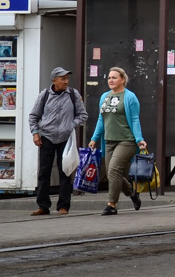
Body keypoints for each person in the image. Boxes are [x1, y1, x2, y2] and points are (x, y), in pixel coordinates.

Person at [27, 66, 88, 216]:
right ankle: (43, 206)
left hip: (65, 139)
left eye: (67, 78)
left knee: (65, 172)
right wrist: (35, 133)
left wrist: (71, 125)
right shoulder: (44, 95)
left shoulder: (73, 94)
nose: (66, 81)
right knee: (44, 172)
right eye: (63, 79)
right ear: (54, 80)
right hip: (46, 138)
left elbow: (82, 115)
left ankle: (63, 206)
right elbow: (33, 116)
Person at [88, 67, 147, 215]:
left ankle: (112, 204)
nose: (111, 80)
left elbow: (135, 119)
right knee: (111, 174)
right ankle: (132, 194)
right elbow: (101, 119)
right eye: (109, 78)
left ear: (123, 80)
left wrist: (139, 139)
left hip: (126, 141)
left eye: (114, 77)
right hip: (109, 141)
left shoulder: (130, 97)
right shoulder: (104, 97)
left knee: (114, 170)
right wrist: (94, 138)